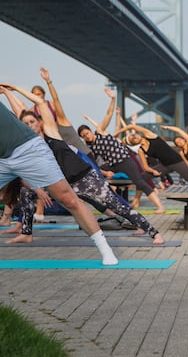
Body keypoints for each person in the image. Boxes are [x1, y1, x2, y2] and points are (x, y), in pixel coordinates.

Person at [4, 84, 165, 245]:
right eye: (25, 124)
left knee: (118, 206)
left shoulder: (51, 132)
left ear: (39, 122)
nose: (29, 125)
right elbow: (20, 113)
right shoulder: (30, 146)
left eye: (32, 121)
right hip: (61, 184)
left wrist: (15, 89)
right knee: (26, 192)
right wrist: (5, 93)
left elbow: (40, 102)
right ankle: (26, 233)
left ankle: (154, 233)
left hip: (86, 179)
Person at [0, 90, 118, 264]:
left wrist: (10, 91)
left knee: (68, 199)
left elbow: (23, 107)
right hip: (3, 158)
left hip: (28, 149)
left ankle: (105, 249)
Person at [78, 90, 166, 213]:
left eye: (87, 133)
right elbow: (95, 163)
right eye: (84, 136)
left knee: (139, 182)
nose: (87, 136)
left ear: (91, 131)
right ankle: (110, 205)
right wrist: (104, 172)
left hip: (124, 160)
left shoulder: (100, 131)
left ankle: (160, 206)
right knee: (96, 175)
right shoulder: (91, 146)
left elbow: (108, 114)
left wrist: (113, 99)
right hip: (112, 165)